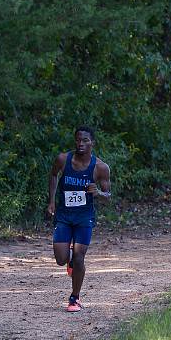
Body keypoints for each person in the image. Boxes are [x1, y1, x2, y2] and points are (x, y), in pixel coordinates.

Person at [47, 126, 111, 312]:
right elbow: (53, 176)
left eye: (85, 140)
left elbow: (109, 195)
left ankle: (74, 298)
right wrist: (51, 202)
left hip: (84, 217)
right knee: (61, 259)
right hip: (64, 216)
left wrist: (98, 193)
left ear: (92, 143)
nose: (81, 144)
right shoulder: (63, 159)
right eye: (78, 140)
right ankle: (69, 262)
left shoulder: (100, 167)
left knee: (79, 257)